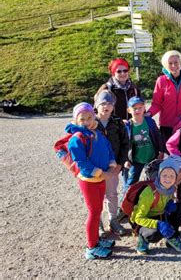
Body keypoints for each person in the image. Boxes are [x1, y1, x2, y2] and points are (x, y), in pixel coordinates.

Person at [66, 102, 117, 260]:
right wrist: (100, 172)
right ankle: (91, 247)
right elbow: (81, 162)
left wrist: (111, 163)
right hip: (89, 180)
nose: (87, 121)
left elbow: (107, 147)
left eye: (89, 117)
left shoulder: (95, 133)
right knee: (94, 212)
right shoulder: (77, 139)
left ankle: (96, 239)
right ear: (76, 121)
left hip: (100, 179)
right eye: (82, 119)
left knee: (97, 210)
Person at [130, 158, 181, 255]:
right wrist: (158, 224)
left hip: (160, 214)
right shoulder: (149, 192)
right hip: (144, 220)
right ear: (159, 175)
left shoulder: (171, 188)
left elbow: (168, 201)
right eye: (164, 175)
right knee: (155, 233)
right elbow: (138, 218)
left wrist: (170, 203)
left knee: (178, 208)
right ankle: (143, 239)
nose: (168, 179)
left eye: (172, 176)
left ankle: (171, 237)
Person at [94, 90, 129, 236]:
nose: (106, 106)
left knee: (112, 194)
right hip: (95, 166)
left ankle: (113, 220)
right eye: (103, 103)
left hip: (113, 166)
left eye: (109, 103)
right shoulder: (91, 122)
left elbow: (125, 143)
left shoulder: (117, 122)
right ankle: (98, 223)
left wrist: (121, 163)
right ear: (96, 105)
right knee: (96, 196)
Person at [147, 50, 181, 145]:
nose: (174, 66)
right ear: (166, 65)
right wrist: (149, 114)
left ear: (180, 63)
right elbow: (156, 104)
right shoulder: (161, 80)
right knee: (168, 153)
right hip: (166, 124)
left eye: (176, 62)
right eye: (170, 63)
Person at [123, 97, 165, 194]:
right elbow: (124, 145)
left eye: (140, 107)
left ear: (144, 108)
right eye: (134, 108)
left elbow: (157, 136)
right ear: (129, 110)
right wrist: (125, 159)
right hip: (136, 160)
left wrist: (161, 151)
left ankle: (154, 202)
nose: (137, 110)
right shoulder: (127, 126)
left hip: (151, 157)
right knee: (131, 183)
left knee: (154, 180)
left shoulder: (149, 121)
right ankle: (125, 205)